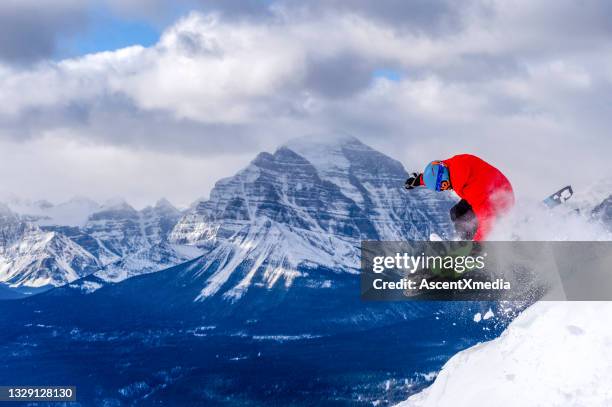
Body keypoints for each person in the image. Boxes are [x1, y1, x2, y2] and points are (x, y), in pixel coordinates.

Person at [405, 154, 514, 241]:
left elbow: (487, 218)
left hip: (499, 201)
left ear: (444, 184)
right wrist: (419, 180)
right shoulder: (449, 166)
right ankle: (464, 242)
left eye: (442, 188)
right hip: (493, 185)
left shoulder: (473, 189)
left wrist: (477, 245)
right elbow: (436, 174)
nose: (444, 190)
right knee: (457, 212)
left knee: (466, 219)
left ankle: (471, 249)